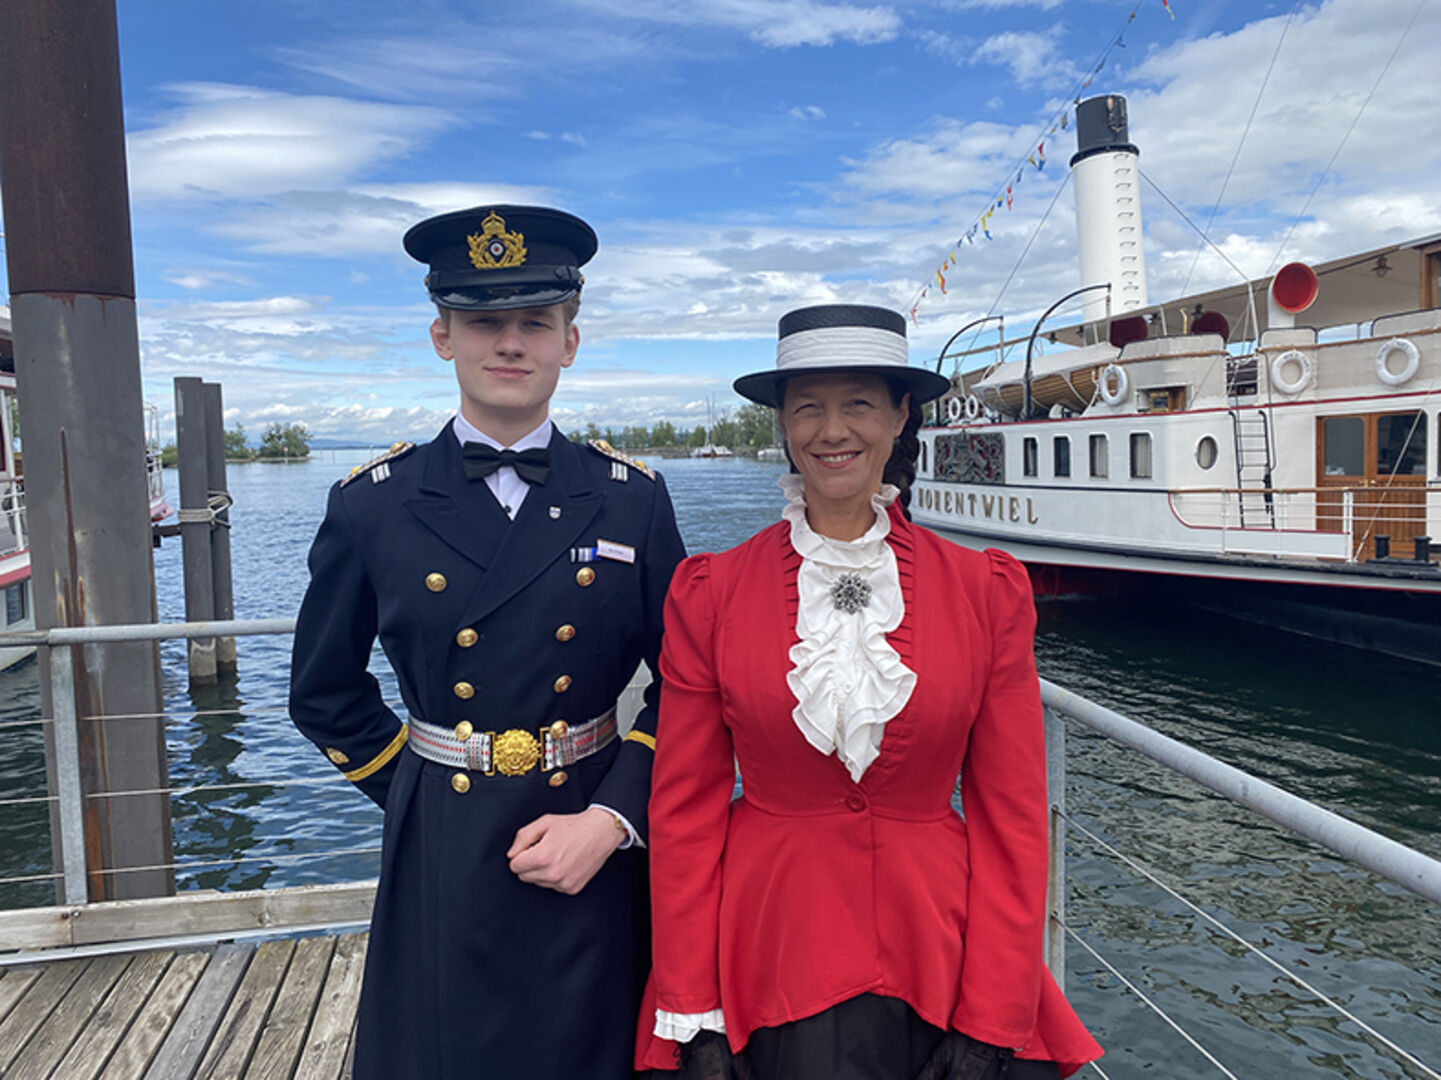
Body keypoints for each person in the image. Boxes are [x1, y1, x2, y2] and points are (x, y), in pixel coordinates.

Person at [635, 304, 1104, 1079]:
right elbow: (683, 813)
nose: (831, 430)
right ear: (782, 424)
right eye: (807, 406)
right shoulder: (709, 593)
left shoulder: (985, 592)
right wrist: (692, 1013)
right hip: (764, 947)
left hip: (942, 948)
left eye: (856, 403)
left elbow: (1012, 816)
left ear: (899, 417)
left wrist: (989, 1018)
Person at [289, 205, 686, 1080]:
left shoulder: (631, 500)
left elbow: (688, 683)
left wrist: (616, 817)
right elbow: (323, 691)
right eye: (483, 322)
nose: (510, 344)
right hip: (444, 843)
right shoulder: (372, 503)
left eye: (534, 323)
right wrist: (418, 797)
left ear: (568, 343)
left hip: (590, 829)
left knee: (590, 1051)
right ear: (443, 337)